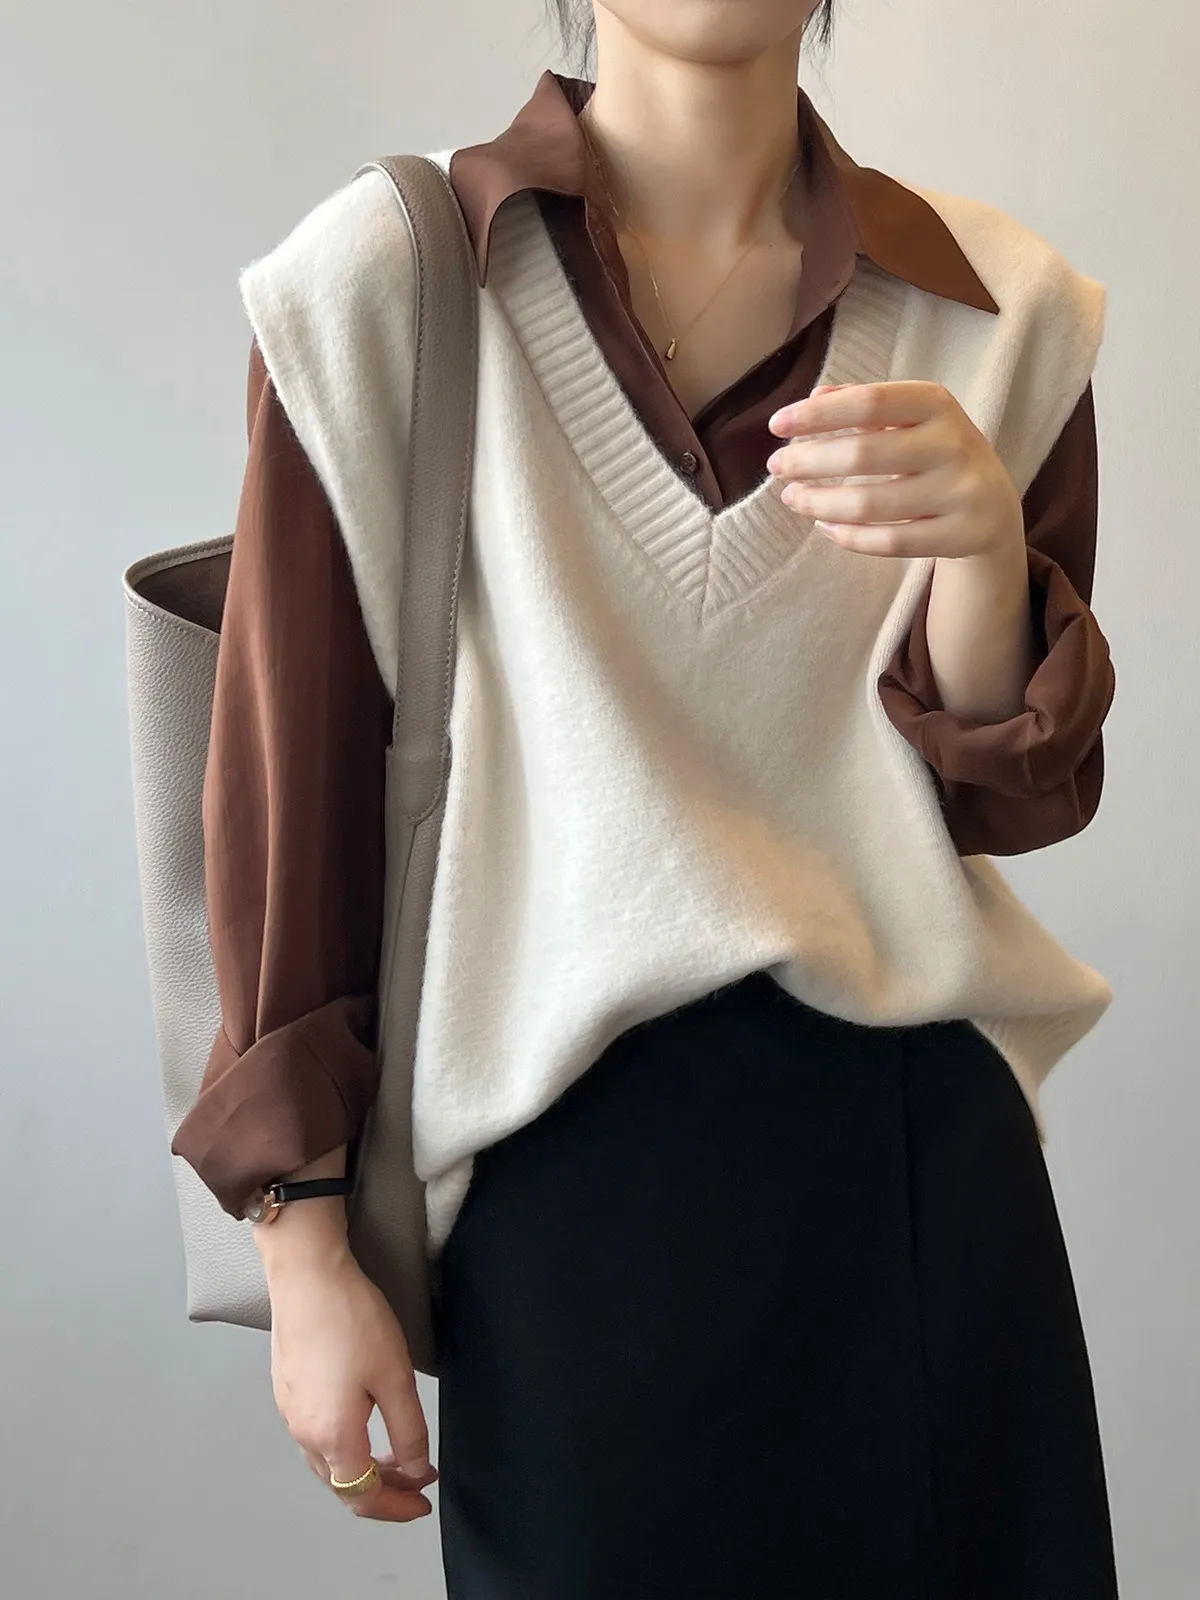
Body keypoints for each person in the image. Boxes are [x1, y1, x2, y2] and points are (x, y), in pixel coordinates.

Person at [172, 2, 1121, 1594]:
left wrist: (977, 553)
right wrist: (302, 1239)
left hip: (923, 1179)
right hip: (565, 1206)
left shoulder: (999, 307)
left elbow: (1004, 798)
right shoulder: (388, 284)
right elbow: (296, 786)